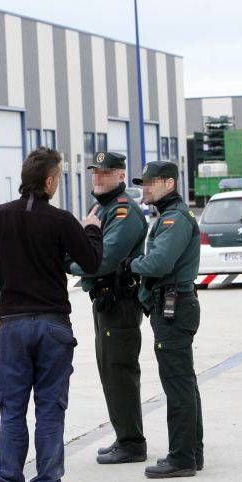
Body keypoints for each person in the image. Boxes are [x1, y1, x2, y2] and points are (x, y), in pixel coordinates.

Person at [0, 147, 103, 482]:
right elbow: (91, 263)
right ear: (48, 181)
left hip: (13, 327)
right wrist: (92, 229)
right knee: (49, 408)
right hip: (53, 326)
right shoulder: (61, 221)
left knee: (12, 408)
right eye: (59, 177)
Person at [118, 160, 204, 478]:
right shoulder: (169, 216)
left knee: (177, 383)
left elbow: (159, 262)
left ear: (169, 184)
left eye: (151, 183)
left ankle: (181, 457)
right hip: (173, 305)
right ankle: (192, 452)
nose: (145, 188)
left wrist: (132, 265)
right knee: (184, 381)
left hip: (174, 307)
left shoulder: (174, 219)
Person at [67, 151, 149, 464]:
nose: (98, 177)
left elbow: (103, 259)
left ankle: (132, 442)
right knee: (109, 370)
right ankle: (124, 436)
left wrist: (71, 265)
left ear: (120, 176)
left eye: (106, 172)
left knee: (120, 371)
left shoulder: (124, 211)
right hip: (104, 301)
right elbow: (82, 245)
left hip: (120, 301)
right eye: (95, 172)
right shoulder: (101, 208)